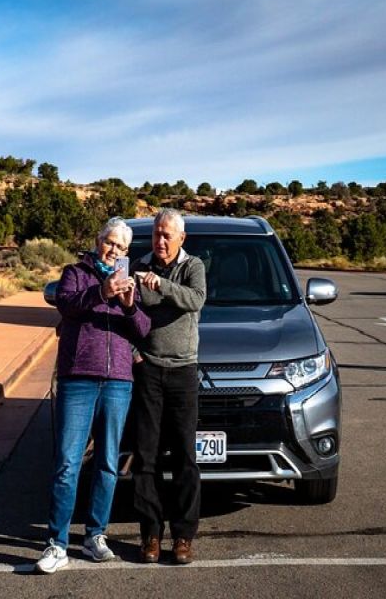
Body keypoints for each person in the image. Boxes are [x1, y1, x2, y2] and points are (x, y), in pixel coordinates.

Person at [35, 217, 151, 574]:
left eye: (121, 247)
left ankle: (95, 535)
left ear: (127, 253)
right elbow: (67, 305)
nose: (113, 250)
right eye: (109, 242)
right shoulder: (75, 273)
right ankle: (56, 543)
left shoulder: (130, 282)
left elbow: (144, 330)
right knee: (68, 463)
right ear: (98, 240)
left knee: (108, 463)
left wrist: (130, 305)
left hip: (118, 381)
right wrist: (102, 292)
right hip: (78, 379)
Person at [132, 208, 206, 565]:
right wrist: (133, 349)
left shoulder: (193, 267)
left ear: (181, 239)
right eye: (156, 234)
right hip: (149, 370)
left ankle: (183, 536)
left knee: (184, 457)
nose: (160, 241)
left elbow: (195, 299)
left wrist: (160, 284)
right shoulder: (138, 264)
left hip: (183, 372)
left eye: (167, 236)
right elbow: (126, 312)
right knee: (145, 457)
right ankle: (149, 535)